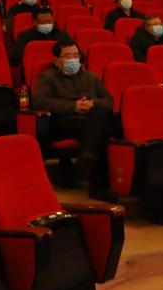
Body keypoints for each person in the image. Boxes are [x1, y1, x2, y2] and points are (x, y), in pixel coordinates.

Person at [32, 39, 113, 194]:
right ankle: (99, 187)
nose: (73, 60)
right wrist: (74, 106)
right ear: (56, 60)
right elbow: (40, 102)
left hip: (90, 121)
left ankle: (87, 155)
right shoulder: (48, 78)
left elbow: (109, 100)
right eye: (68, 56)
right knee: (102, 128)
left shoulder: (91, 77)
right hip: (64, 121)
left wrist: (92, 103)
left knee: (100, 117)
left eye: (76, 56)